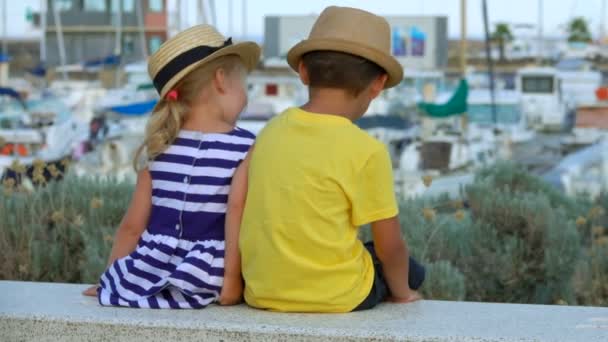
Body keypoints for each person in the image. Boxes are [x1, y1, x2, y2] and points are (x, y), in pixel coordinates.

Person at [234, 6, 426, 313]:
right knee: (410, 269)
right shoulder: (367, 151)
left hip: (264, 292)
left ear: (304, 72)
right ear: (378, 83)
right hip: (340, 296)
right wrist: (403, 293)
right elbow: (390, 247)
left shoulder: (270, 132)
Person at [82, 24, 260, 309]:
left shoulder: (159, 146)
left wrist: (112, 279)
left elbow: (131, 228)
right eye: (245, 85)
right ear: (222, 80)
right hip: (206, 274)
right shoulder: (247, 148)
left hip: (147, 269)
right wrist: (231, 280)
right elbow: (237, 213)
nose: (246, 95)